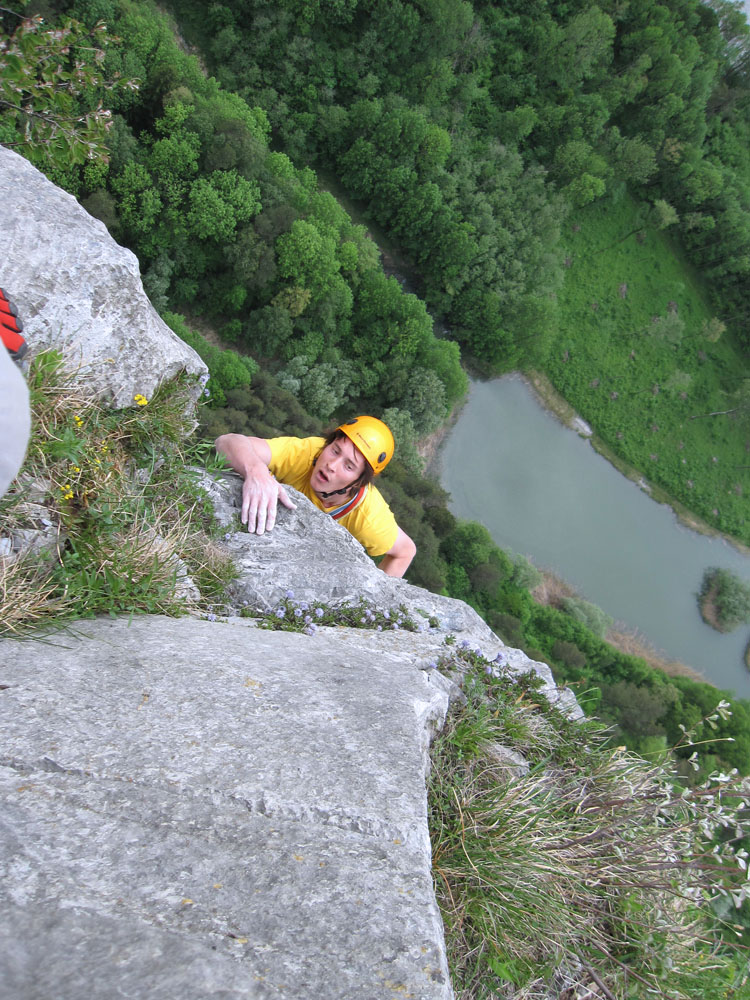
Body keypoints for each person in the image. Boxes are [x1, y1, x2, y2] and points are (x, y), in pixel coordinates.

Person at [215, 416, 417, 578]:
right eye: (335, 450)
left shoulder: (368, 517)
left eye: (348, 466)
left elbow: (405, 552)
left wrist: (376, 599)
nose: (332, 465)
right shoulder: (308, 453)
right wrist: (256, 471)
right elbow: (227, 442)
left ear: (358, 482)